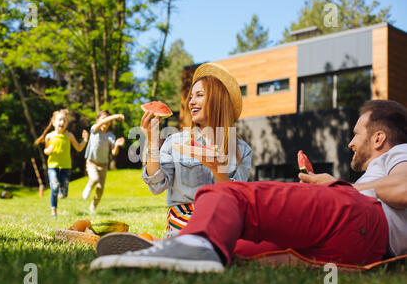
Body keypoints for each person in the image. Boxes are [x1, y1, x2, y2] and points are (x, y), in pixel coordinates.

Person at [90, 99, 407, 273]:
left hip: (359, 217)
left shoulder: (400, 153)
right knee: (234, 247)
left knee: (228, 194)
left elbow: (404, 189)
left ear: (379, 138)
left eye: (356, 133)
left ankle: (193, 243)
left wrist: (339, 187)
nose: (350, 142)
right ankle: (180, 250)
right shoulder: (377, 178)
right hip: (362, 248)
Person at [95, 62, 259, 256]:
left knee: (231, 240)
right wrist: (152, 140)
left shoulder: (241, 150)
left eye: (199, 95)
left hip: (221, 218)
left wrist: (218, 169)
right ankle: (170, 245)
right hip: (183, 219)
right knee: (195, 241)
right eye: (191, 96)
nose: (191, 102)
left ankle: (159, 246)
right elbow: (156, 185)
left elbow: (236, 200)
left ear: (217, 100)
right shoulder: (176, 141)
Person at [35, 109, 89, 217]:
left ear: (67, 123)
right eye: (60, 120)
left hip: (66, 168)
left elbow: (78, 148)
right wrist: (48, 151)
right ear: (54, 122)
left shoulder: (69, 135)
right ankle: (53, 210)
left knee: (64, 194)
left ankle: (62, 192)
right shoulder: (49, 137)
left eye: (64, 121)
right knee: (54, 187)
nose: (62, 123)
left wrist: (85, 140)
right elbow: (46, 150)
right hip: (53, 167)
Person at [82, 110, 125, 213]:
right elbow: (100, 123)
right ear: (97, 121)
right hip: (92, 162)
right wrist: (115, 116)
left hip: (104, 164)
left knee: (100, 189)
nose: (105, 122)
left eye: (107, 120)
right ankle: (88, 186)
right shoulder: (94, 129)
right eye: (103, 119)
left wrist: (117, 145)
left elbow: (114, 152)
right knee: (94, 178)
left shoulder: (110, 135)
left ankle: (93, 207)